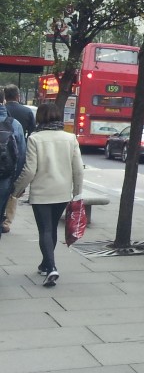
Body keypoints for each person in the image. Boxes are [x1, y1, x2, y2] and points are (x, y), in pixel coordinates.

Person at [11, 103, 82, 287]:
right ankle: (45, 263)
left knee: (45, 230)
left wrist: (17, 190)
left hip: (42, 192)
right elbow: (78, 170)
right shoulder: (70, 138)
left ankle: (51, 268)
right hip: (63, 192)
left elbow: (29, 171)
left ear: (40, 118)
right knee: (51, 230)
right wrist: (77, 194)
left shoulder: (35, 139)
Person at [0, 92, 28, 236]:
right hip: (5, 175)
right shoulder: (14, 124)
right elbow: (22, 155)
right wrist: (15, 179)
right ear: (3, 100)